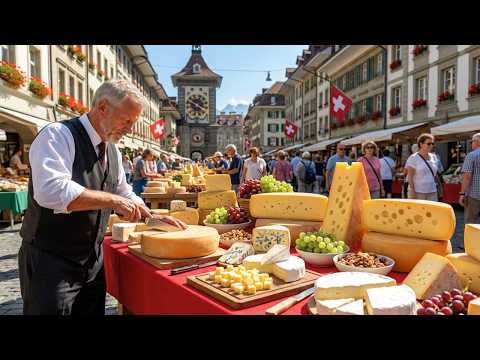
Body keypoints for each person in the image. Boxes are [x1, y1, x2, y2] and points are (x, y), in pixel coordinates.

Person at [18, 80, 186, 315]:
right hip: (52, 260)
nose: (129, 129)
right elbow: (50, 191)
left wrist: (153, 217)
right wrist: (113, 201)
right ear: (103, 107)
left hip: (92, 261)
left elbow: (124, 192)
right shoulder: (58, 135)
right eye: (126, 120)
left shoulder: (113, 150)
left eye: (133, 123)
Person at [406, 133, 439, 201]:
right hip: (418, 192)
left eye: (432, 143)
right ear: (421, 144)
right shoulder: (413, 158)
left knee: (431, 211)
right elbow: (410, 177)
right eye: (428, 143)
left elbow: (435, 174)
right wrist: (412, 191)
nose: (431, 145)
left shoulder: (434, 157)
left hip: (432, 191)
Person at [459, 133, 480, 225]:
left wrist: (462, 193)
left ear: (478, 142)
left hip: (474, 195)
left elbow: (467, 177)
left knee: (470, 223)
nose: (471, 143)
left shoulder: (471, 155)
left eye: (472, 141)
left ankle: (471, 239)